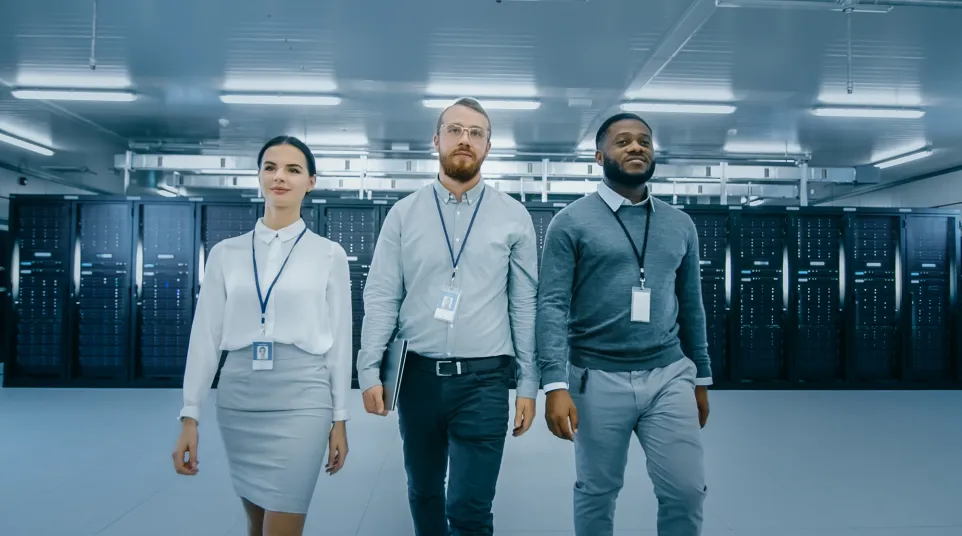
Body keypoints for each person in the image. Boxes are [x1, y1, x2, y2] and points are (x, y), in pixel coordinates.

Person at [356, 97, 540, 536]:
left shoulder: (514, 217)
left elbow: (525, 304)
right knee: (423, 492)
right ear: (435, 140)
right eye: (455, 130)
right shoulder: (403, 214)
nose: (464, 139)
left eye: (476, 133)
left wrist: (528, 383)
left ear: (488, 146)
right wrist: (368, 369)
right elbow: (381, 294)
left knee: (470, 506)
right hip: (416, 377)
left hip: (484, 381)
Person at [537, 112, 712, 536]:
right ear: (600, 155)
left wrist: (701, 375)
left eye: (645, 141)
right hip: (596, 377)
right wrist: (554, 385)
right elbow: (552, 305)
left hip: (669, 374)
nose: (636, 147)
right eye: (623, 141)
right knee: (597, 490)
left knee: (687, 490)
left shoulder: (679, 224)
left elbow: (691, 303)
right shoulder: (571, 222)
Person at [171, 135, 353, 536]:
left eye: (293, 170)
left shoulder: (329, 254)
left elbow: (340, 342)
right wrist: (190, 415)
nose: (279, 177)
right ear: (258, 176)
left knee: (282, 524)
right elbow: (204, 337)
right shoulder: (225, 253)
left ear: (311, 181)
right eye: (270, 167)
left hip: (303, 396)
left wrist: (340, 418)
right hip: (239, 397)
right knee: (256, 524)